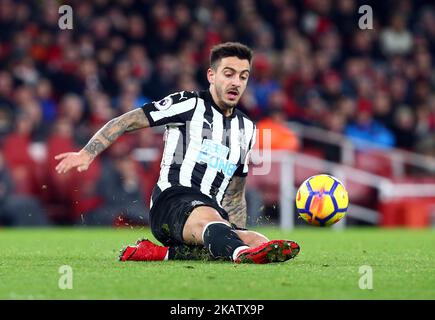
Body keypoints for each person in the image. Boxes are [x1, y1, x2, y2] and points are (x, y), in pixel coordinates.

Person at [55, 42, 300, 264]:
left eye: (243, 76)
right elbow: (128, 120)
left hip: (212, 212)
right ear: (211, 76)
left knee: (257, 239)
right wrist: (87, 153)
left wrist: (234, 230)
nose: (236, 82)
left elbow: (235, 193)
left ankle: (163, 253)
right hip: (172, 202)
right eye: (229, 74)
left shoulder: (247, 128)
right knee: (220, 229)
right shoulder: (189, 104)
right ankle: (239, 255)